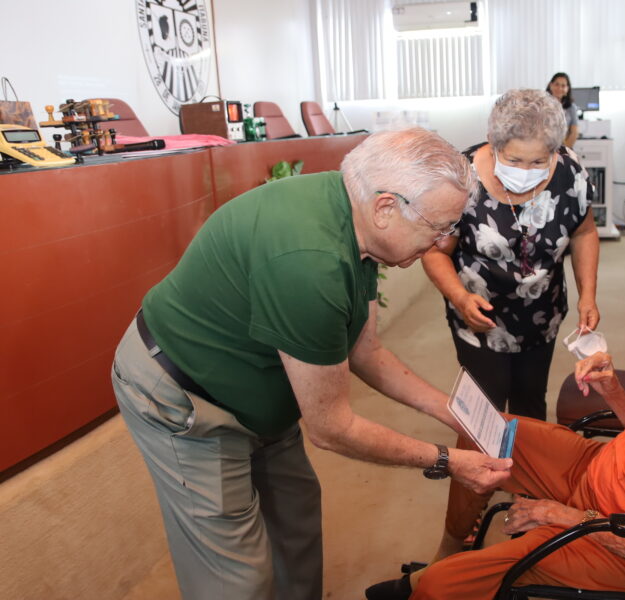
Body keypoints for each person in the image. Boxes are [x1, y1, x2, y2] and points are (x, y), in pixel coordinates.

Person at [110, 127, 514, 600]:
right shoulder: (312, 262)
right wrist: (447, 460)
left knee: (297, 526)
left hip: (267, 391)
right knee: (236, 578)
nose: (442, 241)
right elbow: (330, 427)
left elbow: (366, 351)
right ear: (387, 207)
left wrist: (453, 411)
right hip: (187, 396)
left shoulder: (356, 218)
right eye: (438, 227)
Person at [365, 253, 625, 600]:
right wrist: (614, 391)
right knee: (485, 429)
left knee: (443, 588)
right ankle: (449, 551)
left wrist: (562, 516)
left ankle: (429, 582)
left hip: (623, 540)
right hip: (607, 474)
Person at [422, 89, 600, 421]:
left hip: (542, 314)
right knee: (484, 411)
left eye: (539, 161)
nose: (526, 170)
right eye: (514, 160)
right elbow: (434, 251)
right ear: (493, 142)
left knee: (531, 402)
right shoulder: (461, 179)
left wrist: (588, 295)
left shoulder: (569, 171)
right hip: (480, 319)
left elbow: (584, 232)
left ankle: (525, 470)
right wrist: (460, 298)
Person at [547, 72, 579, 148]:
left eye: (563, 86)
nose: (560, 88)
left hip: (564, 148)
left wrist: (564, 150)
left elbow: (574, 132)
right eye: (557, 84)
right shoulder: (542, 105)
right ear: (551, 85)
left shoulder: (571, 107)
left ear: (567, 88)